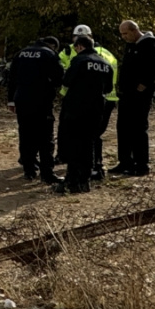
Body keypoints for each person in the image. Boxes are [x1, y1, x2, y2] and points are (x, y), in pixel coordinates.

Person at [54, 35, 114, 194]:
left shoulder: (79, 61)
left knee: (74, 144)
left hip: (75, 109)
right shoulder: (105, 64)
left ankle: (72, 181)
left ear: (80, 46)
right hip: (95, 110)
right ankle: (85, 180)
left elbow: (66, 81)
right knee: (88, 145)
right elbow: (108, 89)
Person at [6, 36, 64, 183]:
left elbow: (11, 78)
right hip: (41, 100)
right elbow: (59, 77)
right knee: (45, 138)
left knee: (26, 135)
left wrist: (11, 100)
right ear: (53, 46)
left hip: (22, 100)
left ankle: (29, 170)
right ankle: (47, 173)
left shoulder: (21, 53)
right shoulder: (49, 54)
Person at [111, 20, 155, 176]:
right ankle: (125, 161)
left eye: (125, 33)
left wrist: (144, 84)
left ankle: (141, 164)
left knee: (138, 128)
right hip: (126, 93)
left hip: (140, 95)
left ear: (134, 31)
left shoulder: (149, 45)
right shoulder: (130, 46)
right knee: (123, 127)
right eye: (121, 34)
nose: (123, 37)